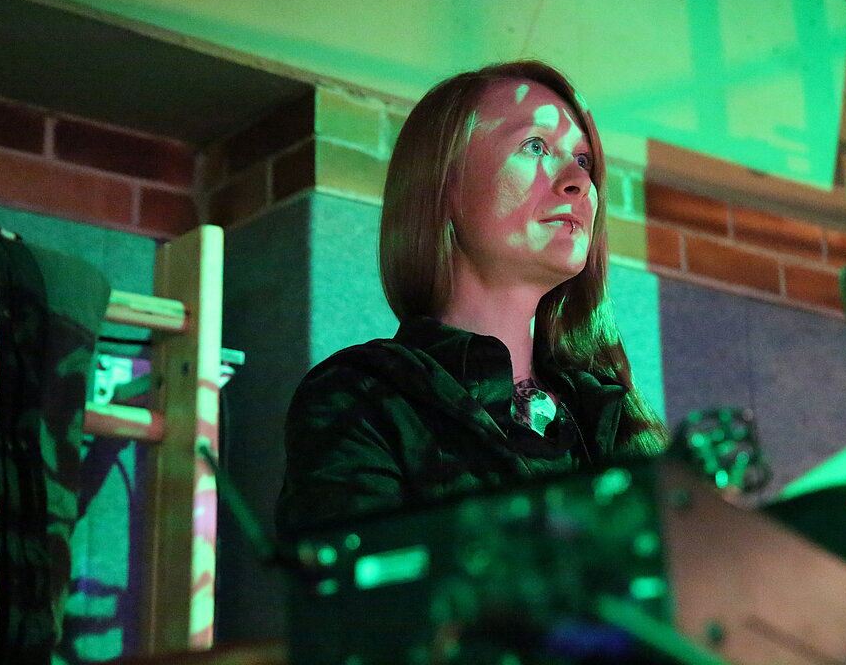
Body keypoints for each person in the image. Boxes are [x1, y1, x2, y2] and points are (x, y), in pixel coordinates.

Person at [275, 60, 669, 537]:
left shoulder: (610, 415)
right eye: (535, 146)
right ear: (444, 184)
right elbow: (355, 583)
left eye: (584, 161)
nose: (579, 182)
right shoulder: (364, 397)